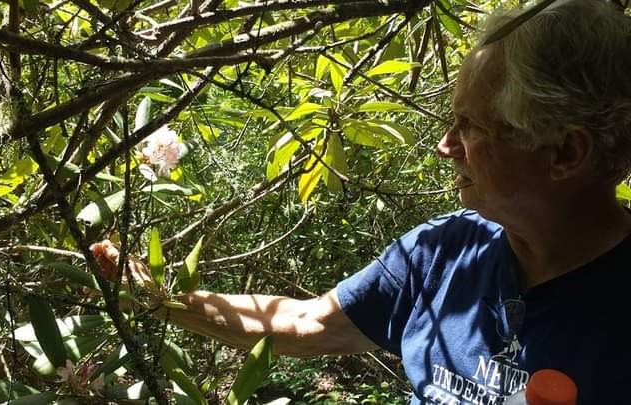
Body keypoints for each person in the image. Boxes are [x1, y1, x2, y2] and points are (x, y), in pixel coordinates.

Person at [93, 0, 631, 403]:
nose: (446, 145)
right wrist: (159, 298)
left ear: (563, 151)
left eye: (469, 125)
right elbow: (307, 324)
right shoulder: (447, 250)